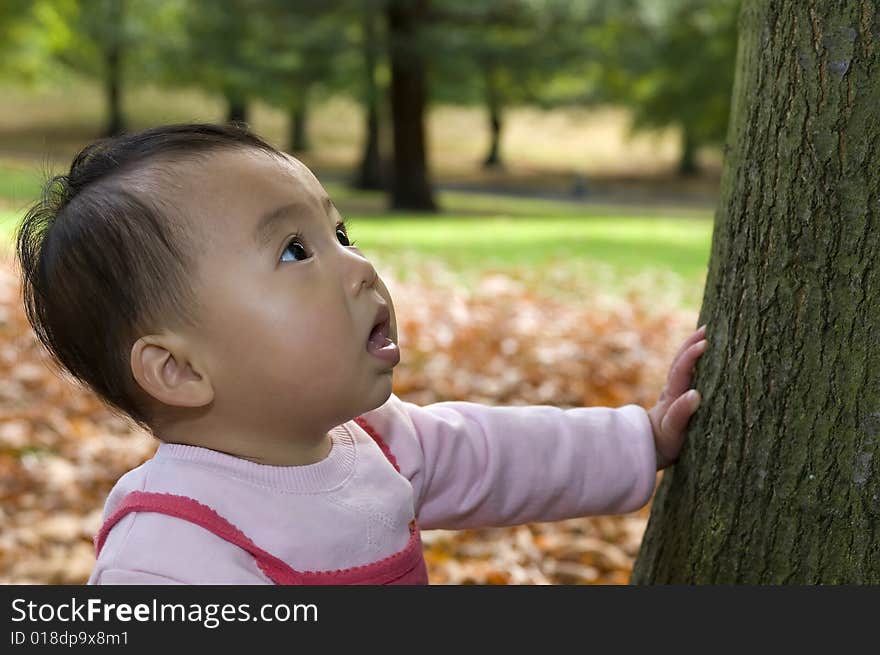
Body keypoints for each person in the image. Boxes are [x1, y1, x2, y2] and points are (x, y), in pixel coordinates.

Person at [16, 123, 708, 585]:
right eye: (295, 250)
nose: (359, 266)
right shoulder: (169, 548)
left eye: (341, 230)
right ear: (180, 369)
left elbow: (496, 456)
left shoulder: (373, 443)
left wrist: (639, 439)